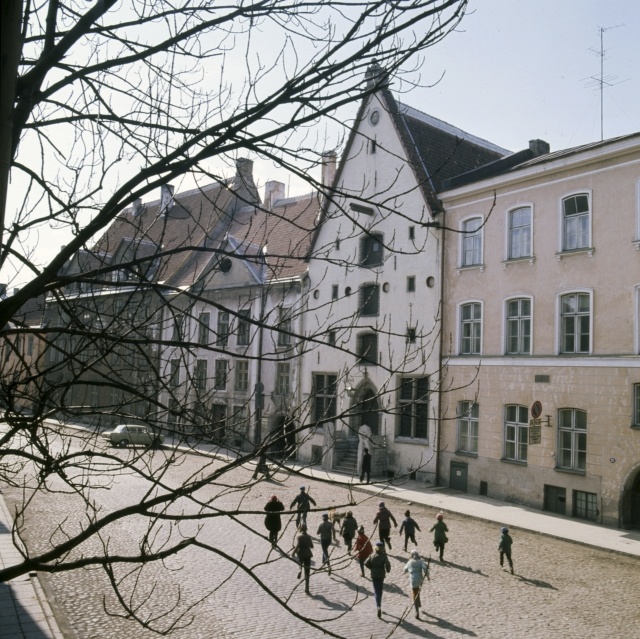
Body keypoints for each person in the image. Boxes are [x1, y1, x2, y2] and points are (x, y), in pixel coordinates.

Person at [365, 542, 391, 619]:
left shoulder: (372, 555)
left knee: (376, 590)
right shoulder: (384, 556)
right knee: (380, 589)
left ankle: (378, 606)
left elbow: (366, 563)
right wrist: (388, 570)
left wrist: (371, 568)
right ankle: (379, 605)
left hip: (374, 574)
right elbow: (387, 564)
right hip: (381, 574)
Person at [404, 550, 430, 619]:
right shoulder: (420, 562)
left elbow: (405, 569)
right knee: (417, 591)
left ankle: (416, 610)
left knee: (414, 593)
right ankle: (418, 603)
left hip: (413, 579)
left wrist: (404, 572)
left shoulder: (410, 562)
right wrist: (427, 576)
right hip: (419, 579)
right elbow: (425, 569)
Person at [292, 524, 314, 594]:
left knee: (300, 563)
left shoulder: (299, 537)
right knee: (307, 572)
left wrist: (293, 553)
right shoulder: (308, 537)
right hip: (308, 553)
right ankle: (307, 588)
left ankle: (300, 569)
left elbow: (297, 545)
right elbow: (311, 546)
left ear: (300, 529)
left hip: (301, 553)